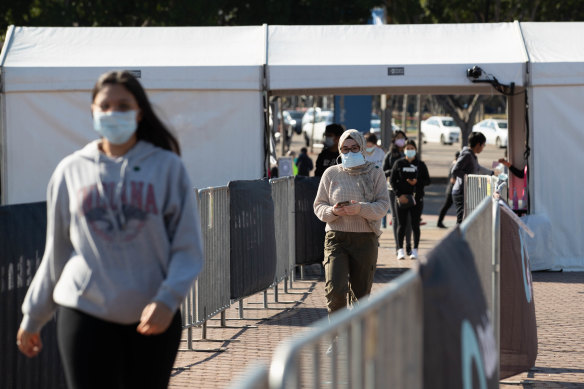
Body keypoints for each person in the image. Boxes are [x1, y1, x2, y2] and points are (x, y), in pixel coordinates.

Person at [16, 70, 204, 389]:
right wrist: (34, 315)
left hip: (152, 314)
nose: (113, 113)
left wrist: (169, 299)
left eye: (123, 105)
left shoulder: (167, 168)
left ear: (139, 112)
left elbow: (187, 249)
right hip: (84, 311)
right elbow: (57, 251)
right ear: (92, 110)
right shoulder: (70, 171)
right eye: (105, 106)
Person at [313, 129, 390, 314]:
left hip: (365, 238)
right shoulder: (331, 173)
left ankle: (356, 341)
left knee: (361, 297)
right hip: (336, 238)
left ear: (362, 148)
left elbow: (383, 205)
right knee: (335, 291)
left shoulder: (375, 173)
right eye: (345, 149)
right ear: (339, 150)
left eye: (354, 148)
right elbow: (319, 206)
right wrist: (333, 211)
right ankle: (337, 339)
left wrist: (360, 208)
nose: (350, 152)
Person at [390, 140, 431, 260]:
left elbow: (428, 180)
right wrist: (399, 195)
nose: (410, 150)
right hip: (401, 199)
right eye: (408, 148)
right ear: (404, 150)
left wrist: (417, 182)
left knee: (415, 225)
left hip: (416, 198)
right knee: (401, 225)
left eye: (412, 148)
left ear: (416, 150)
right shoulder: (399, 163)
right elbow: (392, 181)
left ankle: (415, 249)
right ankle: (400, 250)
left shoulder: (420, 164)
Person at [451, 131, 493, 224]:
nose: (483, 148)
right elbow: (455, 170)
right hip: (461, 192)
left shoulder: (472, 156)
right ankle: (458, 238)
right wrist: (468, 178)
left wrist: (492, 173)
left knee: (466, 220)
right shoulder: (467, 155)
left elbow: (478, 168)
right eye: (483, 145)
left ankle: (462, 238)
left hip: (466, 192)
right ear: (478, 144)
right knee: (462, 221)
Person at [382, 130, 413, 255]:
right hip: (393, 190)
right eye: (398, 138)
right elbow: (383, 172)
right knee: (396, 218)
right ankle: (398, 247)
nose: (400, 140)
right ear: (394, 140)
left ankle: (409, 246)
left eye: (402, 138)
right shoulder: (390, 155)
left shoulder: (410, 154)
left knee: (409, 219)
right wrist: (394, 171)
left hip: (409, 190)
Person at [437, 151, 460, 228]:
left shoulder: (453, 164)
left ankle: (440, 222)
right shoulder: (455, 165)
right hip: (452, 190)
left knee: (447, 206)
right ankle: (440, 222)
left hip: (451, 190)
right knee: (453, 207)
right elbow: (452, 180)